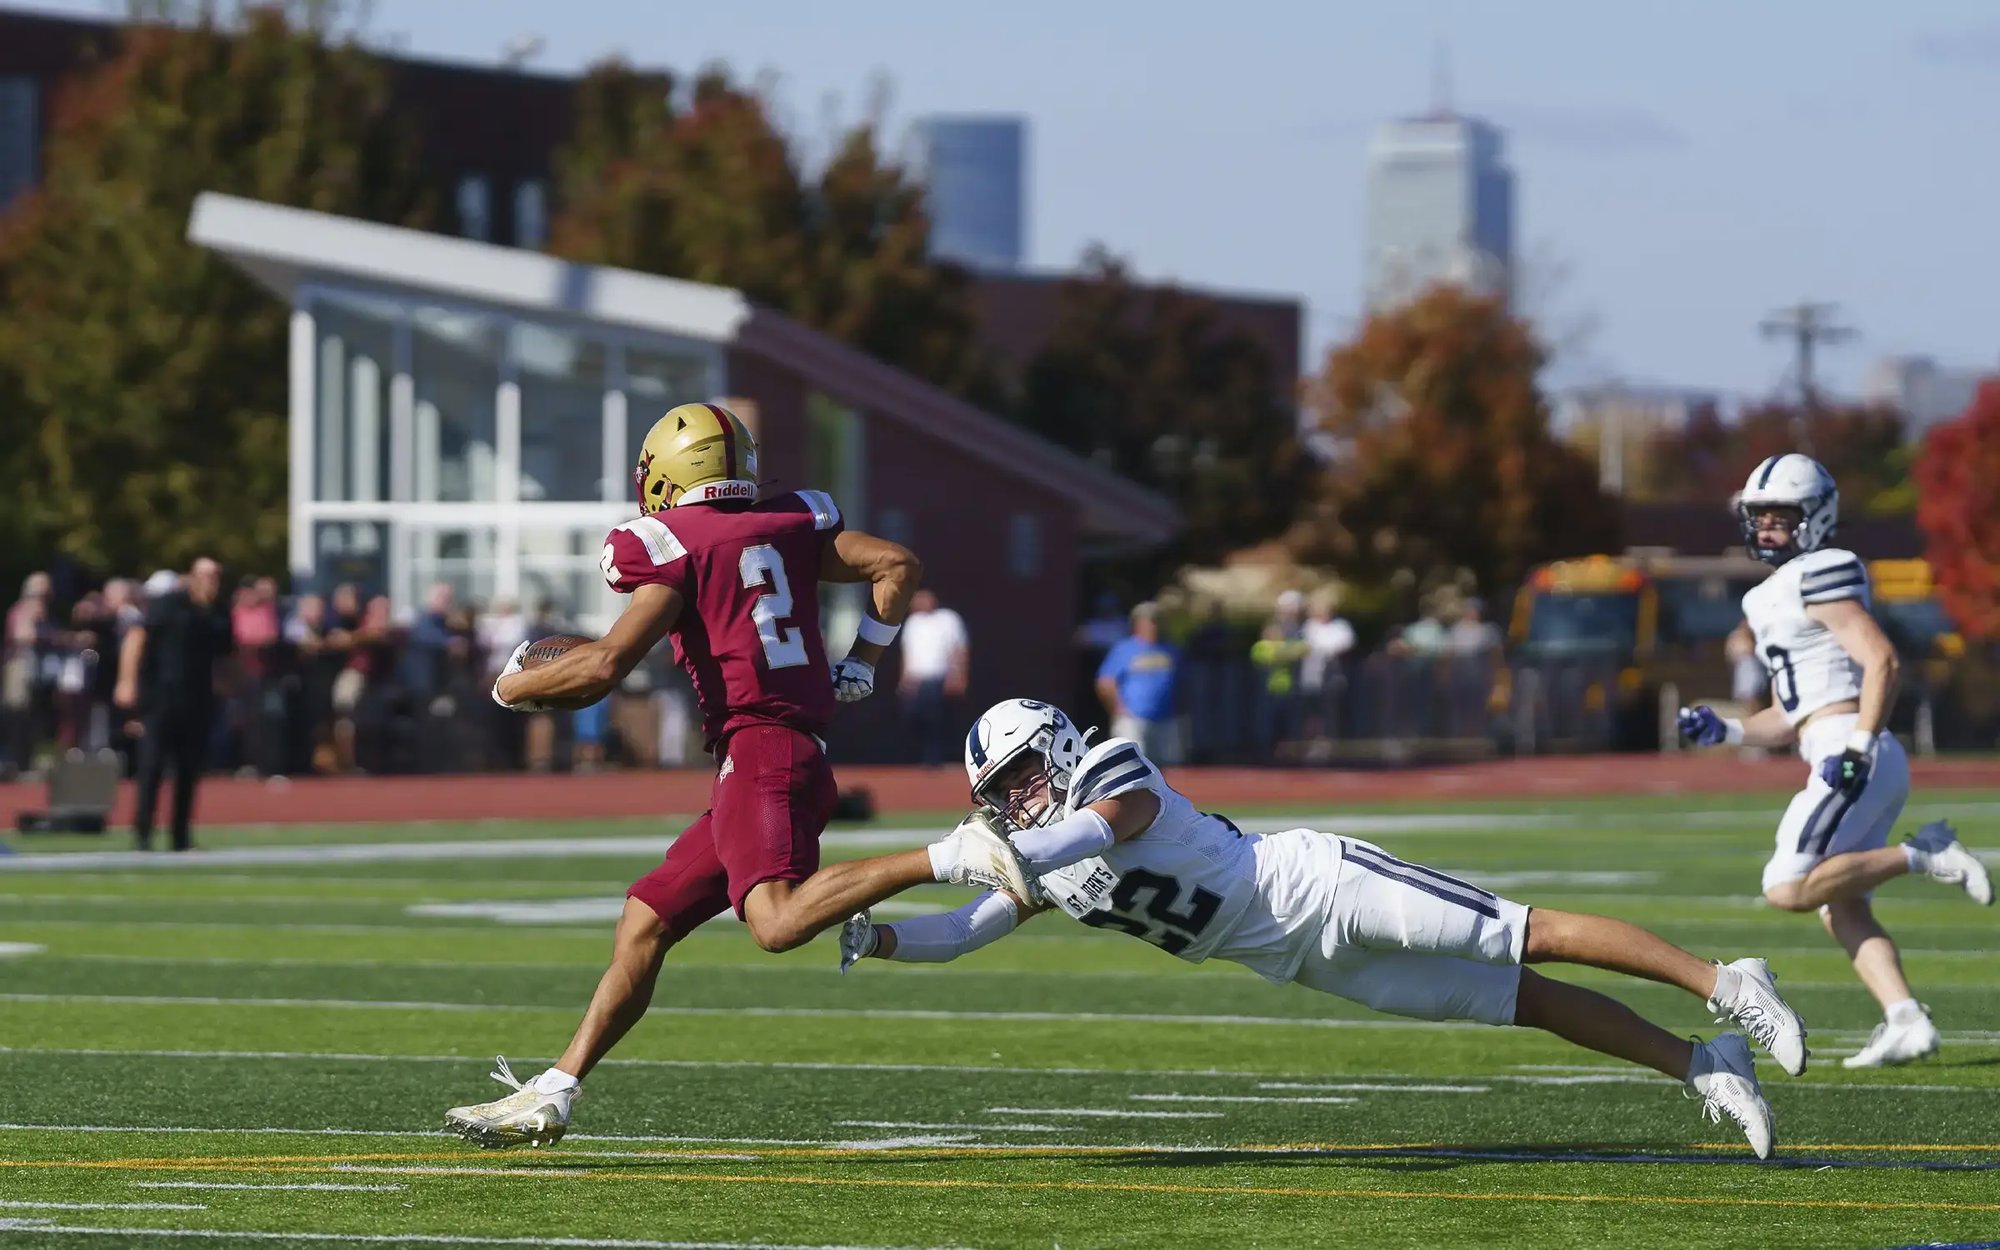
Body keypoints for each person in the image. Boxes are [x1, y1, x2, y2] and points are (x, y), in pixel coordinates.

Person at [838, 699, 1809, 1158]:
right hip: (1298, 959)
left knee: (1523, 933)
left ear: (1051, 742)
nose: (1015, 799)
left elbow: (1109, 822)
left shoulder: (1104, 771)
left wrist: (1016, 850)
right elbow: (963, 929)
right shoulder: (1041, 854)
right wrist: (878, 937)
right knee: (1520, 1002)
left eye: (1017, 776)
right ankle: (1702, 1061)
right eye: (999, 794)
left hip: (1317, 885)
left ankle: (1727, 981)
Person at [443, 402, 1032, 1149]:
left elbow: (600, 667)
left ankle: (954, 855)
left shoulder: (674, 545)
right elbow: (897, 565)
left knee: (776, 923)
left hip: (764, 751)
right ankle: (556, 1088)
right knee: (645, 921)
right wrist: (863, 663)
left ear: (664, 476)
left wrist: (508, 687)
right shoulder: (787, 525)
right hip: (771, 753)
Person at [1680, 453, 1992, 1068]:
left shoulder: (1824, 570)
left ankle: (1922, 852)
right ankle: (1904, 1018)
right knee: (1838, 903)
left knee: (1786, 886)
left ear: (1817, 518)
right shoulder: (1766, 597)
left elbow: (1882, 661)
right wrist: (1728, 729)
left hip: (1852, 748)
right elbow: (1786, 715)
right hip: (1839, 746)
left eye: (1781, 515)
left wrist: (1857, 746)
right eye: (1758, 515)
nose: (1766, 527)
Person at [116, 557, 230, 852]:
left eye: (216, 577)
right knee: (151, 766)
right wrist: (127, 681)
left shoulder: (217, 613)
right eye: (206, 576)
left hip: (198, 700)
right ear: (191, 577)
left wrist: (229, 689)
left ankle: (180, 836)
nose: (212, 583)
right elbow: (137, 638)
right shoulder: (169, 605)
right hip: (162, 697)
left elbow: (227, 656)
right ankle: (143, 834)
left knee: (188, 769)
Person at [1095, 601, 1181, 764]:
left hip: (1166, 718)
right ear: (1137, 623)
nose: (1153, 625)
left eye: (1156, 621)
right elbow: (1105, 682)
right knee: (1132, 765)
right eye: (1149, 621)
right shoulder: (1124, 649)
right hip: (1133, 720)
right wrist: (1118, 709)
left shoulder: (1171, 649)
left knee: (1171, 767)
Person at [897, 589, 970, 766]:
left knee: (936, 719)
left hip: (938, 678)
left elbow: (960, 649)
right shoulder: (913, 623)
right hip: (916, 680)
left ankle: (934, 759)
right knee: (915, 716)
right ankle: (918, 755)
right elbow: (907, 653)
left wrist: (959, 675)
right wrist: (904, 678)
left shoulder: (948, 619)